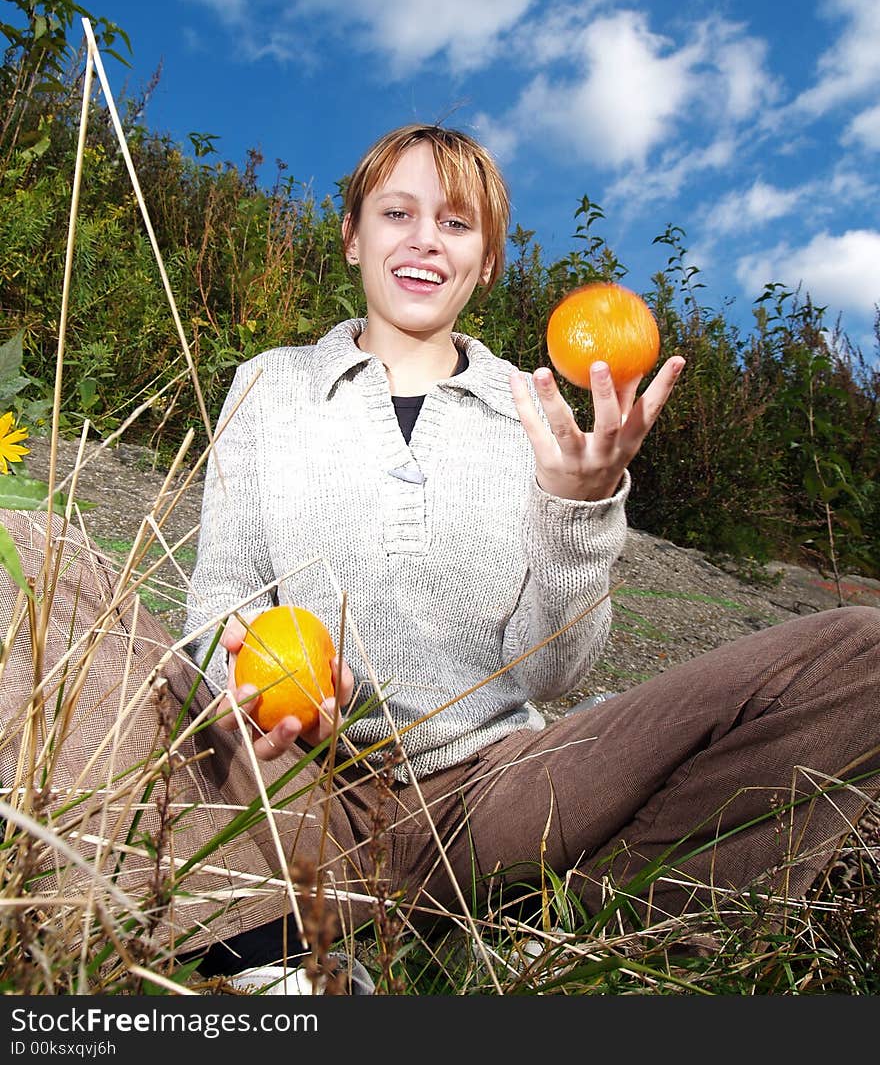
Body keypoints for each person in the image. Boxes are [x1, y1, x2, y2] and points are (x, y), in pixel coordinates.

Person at [2, 123, 878, 996]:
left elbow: (559, 671)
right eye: (397, 212)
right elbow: (221, 593)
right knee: (29, 550)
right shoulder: (270, 384)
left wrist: (579, 509)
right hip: (291, 788)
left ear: (488, 260)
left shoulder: (532, 411)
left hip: (496, 795)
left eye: (456, 223)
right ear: (353, 237)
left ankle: (611, 937)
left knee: (860, 653)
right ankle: (272, 953)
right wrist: (239, 659)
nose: (425, 239)